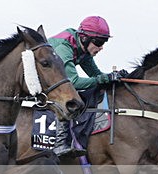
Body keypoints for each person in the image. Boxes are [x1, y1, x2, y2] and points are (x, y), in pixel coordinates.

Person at [47, 16, 125, 157]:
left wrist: (115, 77)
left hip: (51, 78)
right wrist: (103, 78)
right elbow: (74, 81)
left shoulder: (83, 50)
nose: (101, 47)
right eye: (99, 42)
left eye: (104, 42)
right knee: (68, 96)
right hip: (35, 79)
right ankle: (59, 144)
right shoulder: (64, 47)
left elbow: (97, 75)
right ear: (84, 38)